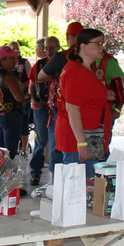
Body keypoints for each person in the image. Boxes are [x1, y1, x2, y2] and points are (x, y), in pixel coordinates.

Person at [55, 28, 109, 179]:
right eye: (98, 43)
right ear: (83, 46)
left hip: (91, 135)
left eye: (102, 43)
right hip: (80, 139)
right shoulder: (76, 72)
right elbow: (72, 109)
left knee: (91, 183)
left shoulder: (84, 69)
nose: (102, 47)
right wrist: (81, 143)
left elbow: (84, 96)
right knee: (80, 186)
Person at [37, 21, 83, 177]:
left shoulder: (60, 57)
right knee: (81, 153)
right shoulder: (95, 57)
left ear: (67, 37)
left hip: (62, 110)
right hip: (86, 112)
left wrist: (56, 78)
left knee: (57, 150)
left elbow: (41, 76)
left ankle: (57, 183)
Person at [28, 36, 59, 186]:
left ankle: (56, 175)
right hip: (41, 108)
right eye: (46, 48)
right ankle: (35, 171)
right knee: (41, 140)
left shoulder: (63, 62)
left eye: (52, 48)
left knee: (55, 142)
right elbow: (32, 84)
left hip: (56, 109)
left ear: (58, 48)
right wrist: (34, 100)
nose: (48, 51)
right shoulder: (39, 64)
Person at [0, 45, 26, 158]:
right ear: (2, 60)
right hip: (10, 115)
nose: (14, 60)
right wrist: (29, 97)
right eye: (11, 58)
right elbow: (19, 98)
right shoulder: (8, 77)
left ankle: (0, 169)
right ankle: (10, 169)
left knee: (0, 151)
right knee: (10, 152)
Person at [8, 41, 32, 156]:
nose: (15, 51)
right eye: (13, 48)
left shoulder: (24, 62)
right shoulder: (6, 63)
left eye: (17, 48)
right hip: (11, 100)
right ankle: (14, 149)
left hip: (24, 99)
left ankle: (24, 150)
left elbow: (31, 79)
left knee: (24, 125)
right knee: (13, 125)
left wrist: (20, 85)